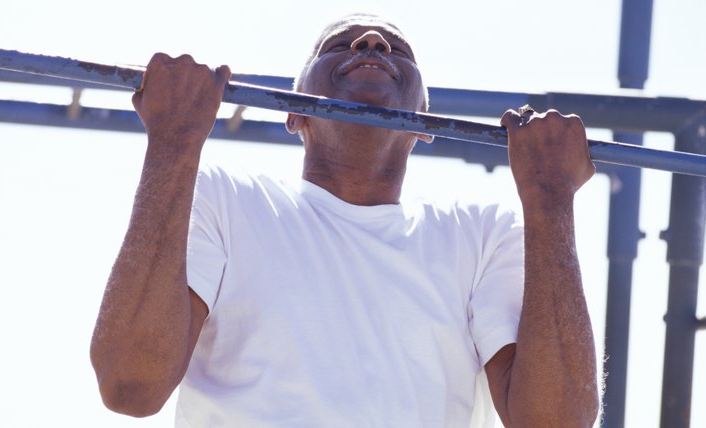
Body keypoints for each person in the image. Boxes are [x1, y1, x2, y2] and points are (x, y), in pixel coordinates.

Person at [90, 13, 599, 427]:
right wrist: (172, 143)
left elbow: (555, 424)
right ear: (295, 113)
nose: (373, 42)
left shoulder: (483, 236)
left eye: (395, 50)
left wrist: (551, 199)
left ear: (424, 121)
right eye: (341, 44)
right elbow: (131, 385)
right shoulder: (225, 199)